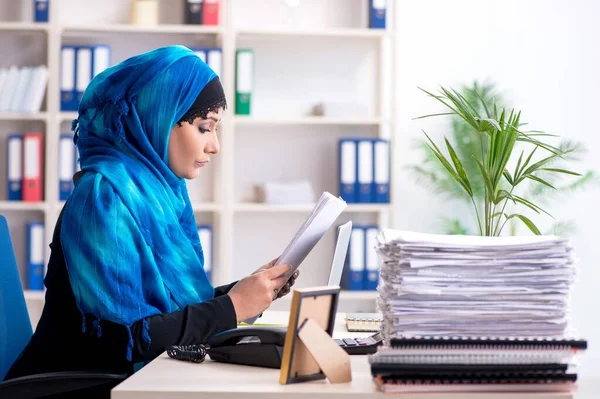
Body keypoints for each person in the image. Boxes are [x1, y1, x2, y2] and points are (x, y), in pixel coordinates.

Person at [6, 45, 298, 380]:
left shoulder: (160, 194)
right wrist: (232, 307)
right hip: (79, 385)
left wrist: (246, 293)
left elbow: (164, 313)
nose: (214, 145)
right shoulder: (104, 198)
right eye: (205, 126)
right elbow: (126, 340)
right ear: (157, 119)